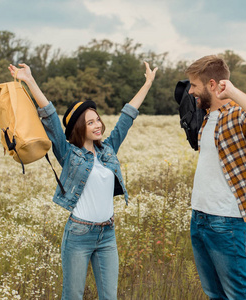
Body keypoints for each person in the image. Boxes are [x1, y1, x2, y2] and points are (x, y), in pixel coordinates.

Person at [8, 62, 157, 300]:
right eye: (90, 122)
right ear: (80, 127)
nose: (98, 125)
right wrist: (29, 80)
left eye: (97, 119)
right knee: (73, 296)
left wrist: (147, 83)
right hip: (79, 234)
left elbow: (127, 116)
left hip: (107, 233)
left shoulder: (108, 149)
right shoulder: (68, 154)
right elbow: (49, 117)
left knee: (110, 297)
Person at [185, 55, 246, 300]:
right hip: (200, 217)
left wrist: (233, 92)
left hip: (225, 221)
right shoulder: (206, 117)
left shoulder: (236, 115)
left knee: (239, 294)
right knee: (214, 294)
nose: (190, 90)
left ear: (212, 85)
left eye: (195, 85)